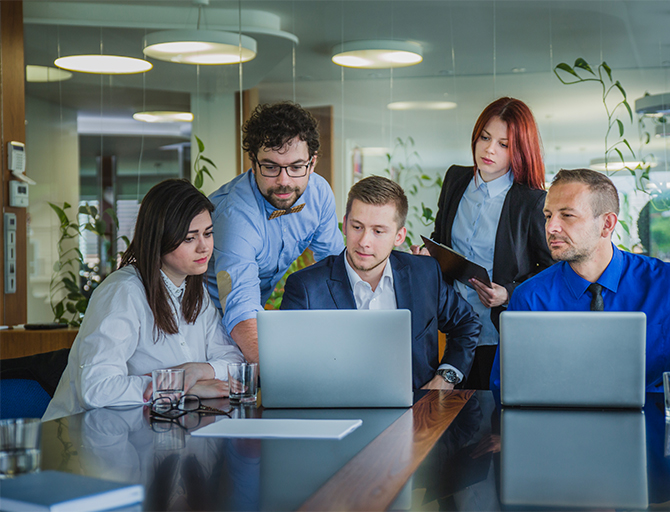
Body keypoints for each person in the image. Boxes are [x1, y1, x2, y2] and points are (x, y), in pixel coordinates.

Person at [489, 168, 670, 391]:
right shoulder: (530, 296)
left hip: (655, 435)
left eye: (567, 215)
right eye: (548, 215)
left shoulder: (668, 284)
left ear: (607, 224)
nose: (551, 227)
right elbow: (506, 385)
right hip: (562, 435)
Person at [43, 180, 244, 421]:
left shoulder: (195, 290)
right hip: (83, 439)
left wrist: (199, 370)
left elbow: (233, 362)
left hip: (153, 430)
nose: (204, 247)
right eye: (189, 238)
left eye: (208, 234)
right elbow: (96, 389)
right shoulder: (123, 292)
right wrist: (179, 387)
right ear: (160, 238)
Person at [281, 176, 481, 389]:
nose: (364, 242)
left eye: (378, 231)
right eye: (357, 227)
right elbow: (287, 364)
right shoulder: (305, 287)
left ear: (399, 236)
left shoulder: (425, 273)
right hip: (338, 414)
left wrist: (445, 379)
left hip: (417, 413)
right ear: (345, 224)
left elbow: (466, 324)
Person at [413, 97, 554, 389]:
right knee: (446, 415)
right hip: (449, 327)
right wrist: (429, 254)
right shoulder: (455, 179)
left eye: (504, 144)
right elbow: (442, 238)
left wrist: (509, 294)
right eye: (485, 137)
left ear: (519, 150)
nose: (489, 149)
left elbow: (552, 270)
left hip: (498, 333)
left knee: (491, 422)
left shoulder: (531, 202)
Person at [206, 102, 345, 364]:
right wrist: (280, 377)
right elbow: (241, 309)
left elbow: (335, 269)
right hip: (206, 324)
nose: (284, 181)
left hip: (255, 320)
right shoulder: (235, 217)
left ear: (312, 163)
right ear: (254, 162)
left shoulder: (319, 194)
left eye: (296, 167)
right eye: (270, 167)